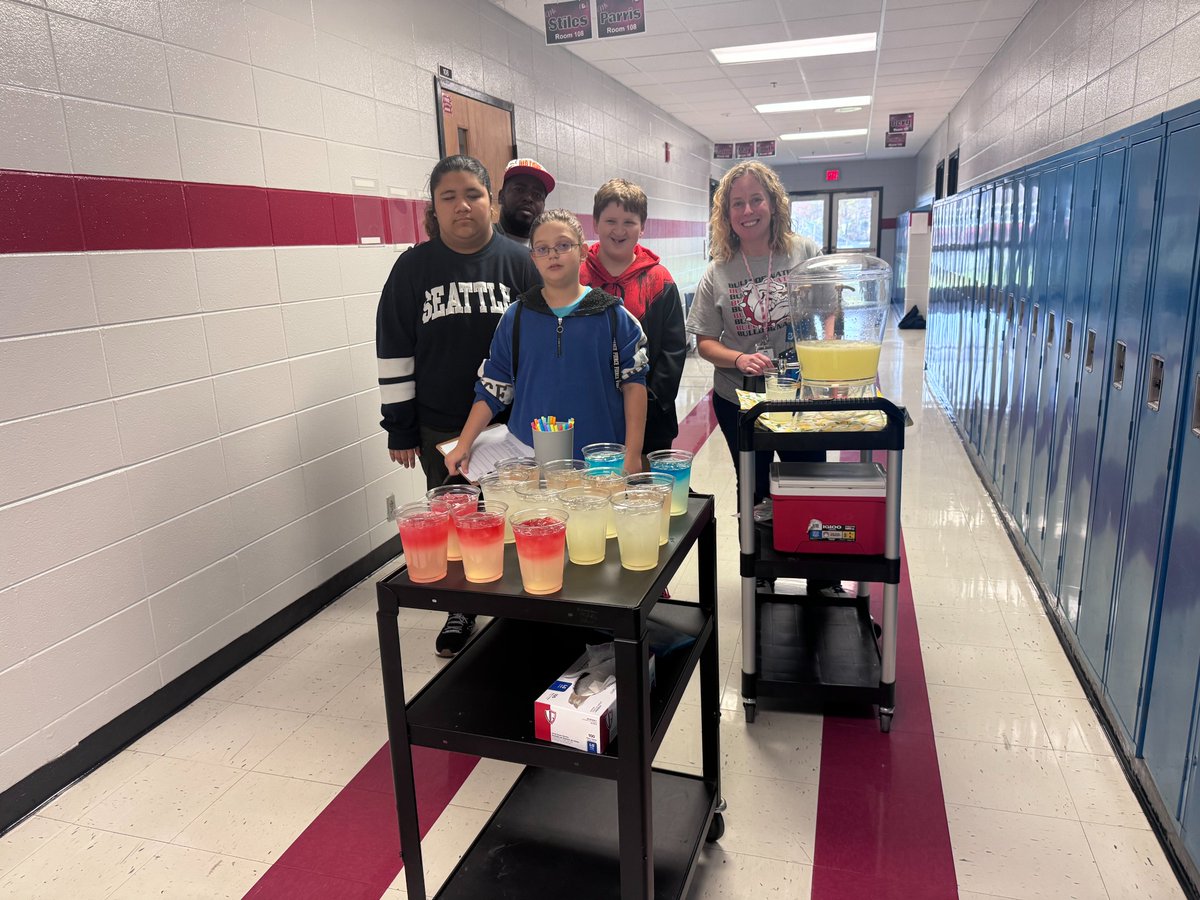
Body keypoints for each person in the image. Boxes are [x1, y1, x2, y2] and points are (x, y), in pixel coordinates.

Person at [375, 154, 540, 656]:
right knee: (457, 521)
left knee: (517, 518)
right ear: (434, 207)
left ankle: (524, 606)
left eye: (472, 194)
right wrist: (400, 428)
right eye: (448, 197)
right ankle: (460, 607)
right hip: (440, 425)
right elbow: (394, 351)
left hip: (512, 424)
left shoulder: (520, 261)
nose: (462, 205)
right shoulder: (412, 267)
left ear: (491, 201)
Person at [685, 160, 843, 598]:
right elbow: (704, 342)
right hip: (741, 399)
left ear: (773, 203)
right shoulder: (718, 271)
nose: (748, 209)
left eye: (757, 199)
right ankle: (762, 574)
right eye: (738, 203)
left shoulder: (804, 252)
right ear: (726, 214)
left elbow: (829, 308)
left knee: (808, 478)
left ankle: (823, 579)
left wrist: (825, 354)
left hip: (801, 396)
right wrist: (740, 358)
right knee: (754, 485)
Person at [447, 209, 649, 480]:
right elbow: (493, 388)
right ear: (533, 258)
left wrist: (633, 454)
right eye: (542, 249)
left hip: (599, 464)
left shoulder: (614, 317)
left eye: (563, 245)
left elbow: (635, 386)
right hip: (529, 465)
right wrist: (464, 444)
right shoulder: (515, 318)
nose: (553, 254)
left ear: (583, 252)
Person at [581, 179, 686, 460]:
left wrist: (646, 405)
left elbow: (673, 352)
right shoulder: (578, 278)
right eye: (610, 220)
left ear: (643, 226)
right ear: (595, 223)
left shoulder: (659, 280)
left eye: (629, 221)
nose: (619, 230)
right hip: (590, 413)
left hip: (652, 418)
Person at [494, 158, 554, 245]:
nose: (528, 198)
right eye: (519, 189)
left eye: (537, 195)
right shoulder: (479, 241)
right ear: (501, 196)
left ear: (544, 206)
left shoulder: (550, 251)